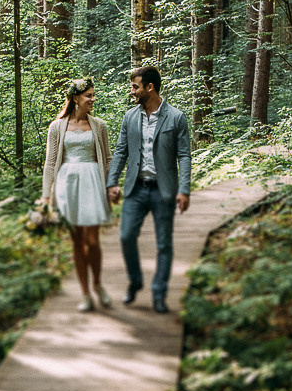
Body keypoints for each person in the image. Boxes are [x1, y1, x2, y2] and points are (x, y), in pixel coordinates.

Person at [106, 66, 191, 314]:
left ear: (149, 88)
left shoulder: (176, 117)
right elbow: (121, 151)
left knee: (164, 244)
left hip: (163, 190)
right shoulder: (130, 117)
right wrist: (113, 182)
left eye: (135, 87)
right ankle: (135, 280)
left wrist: (184, 189)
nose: (132, 91)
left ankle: (159, 293)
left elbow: (184, 156)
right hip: (135, 189)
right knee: (125, 236)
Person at [42, 78, 113, 312]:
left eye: (93, 95)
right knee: (77, 242)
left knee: (92, 240)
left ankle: (98, 284)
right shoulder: (57, 127)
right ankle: (85, 294)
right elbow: (51, 163)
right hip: (67, 184)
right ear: (75, 98)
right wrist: (45, 196)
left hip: (92, 181)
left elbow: (108, 158)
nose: (93, 99)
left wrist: (112, 185)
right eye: (88, 96)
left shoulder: (99, 125)